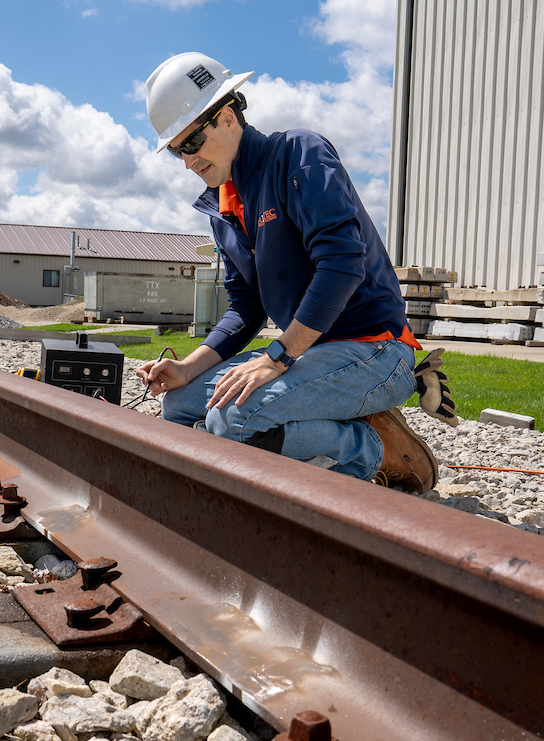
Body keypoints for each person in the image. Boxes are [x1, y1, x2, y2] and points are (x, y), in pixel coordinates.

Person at [135, 52, 443, 492]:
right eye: (176, 152)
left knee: (235, 420)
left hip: (374, 349)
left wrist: (279, 357)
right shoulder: (223, 207)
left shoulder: (298, 155)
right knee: (179, 407)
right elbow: (246, 308)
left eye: (191, 144)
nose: (188, 161)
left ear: (226, 117)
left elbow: (342, 263)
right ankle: (304, 432)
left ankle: (372, 448)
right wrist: (186, 368)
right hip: (310, 355)